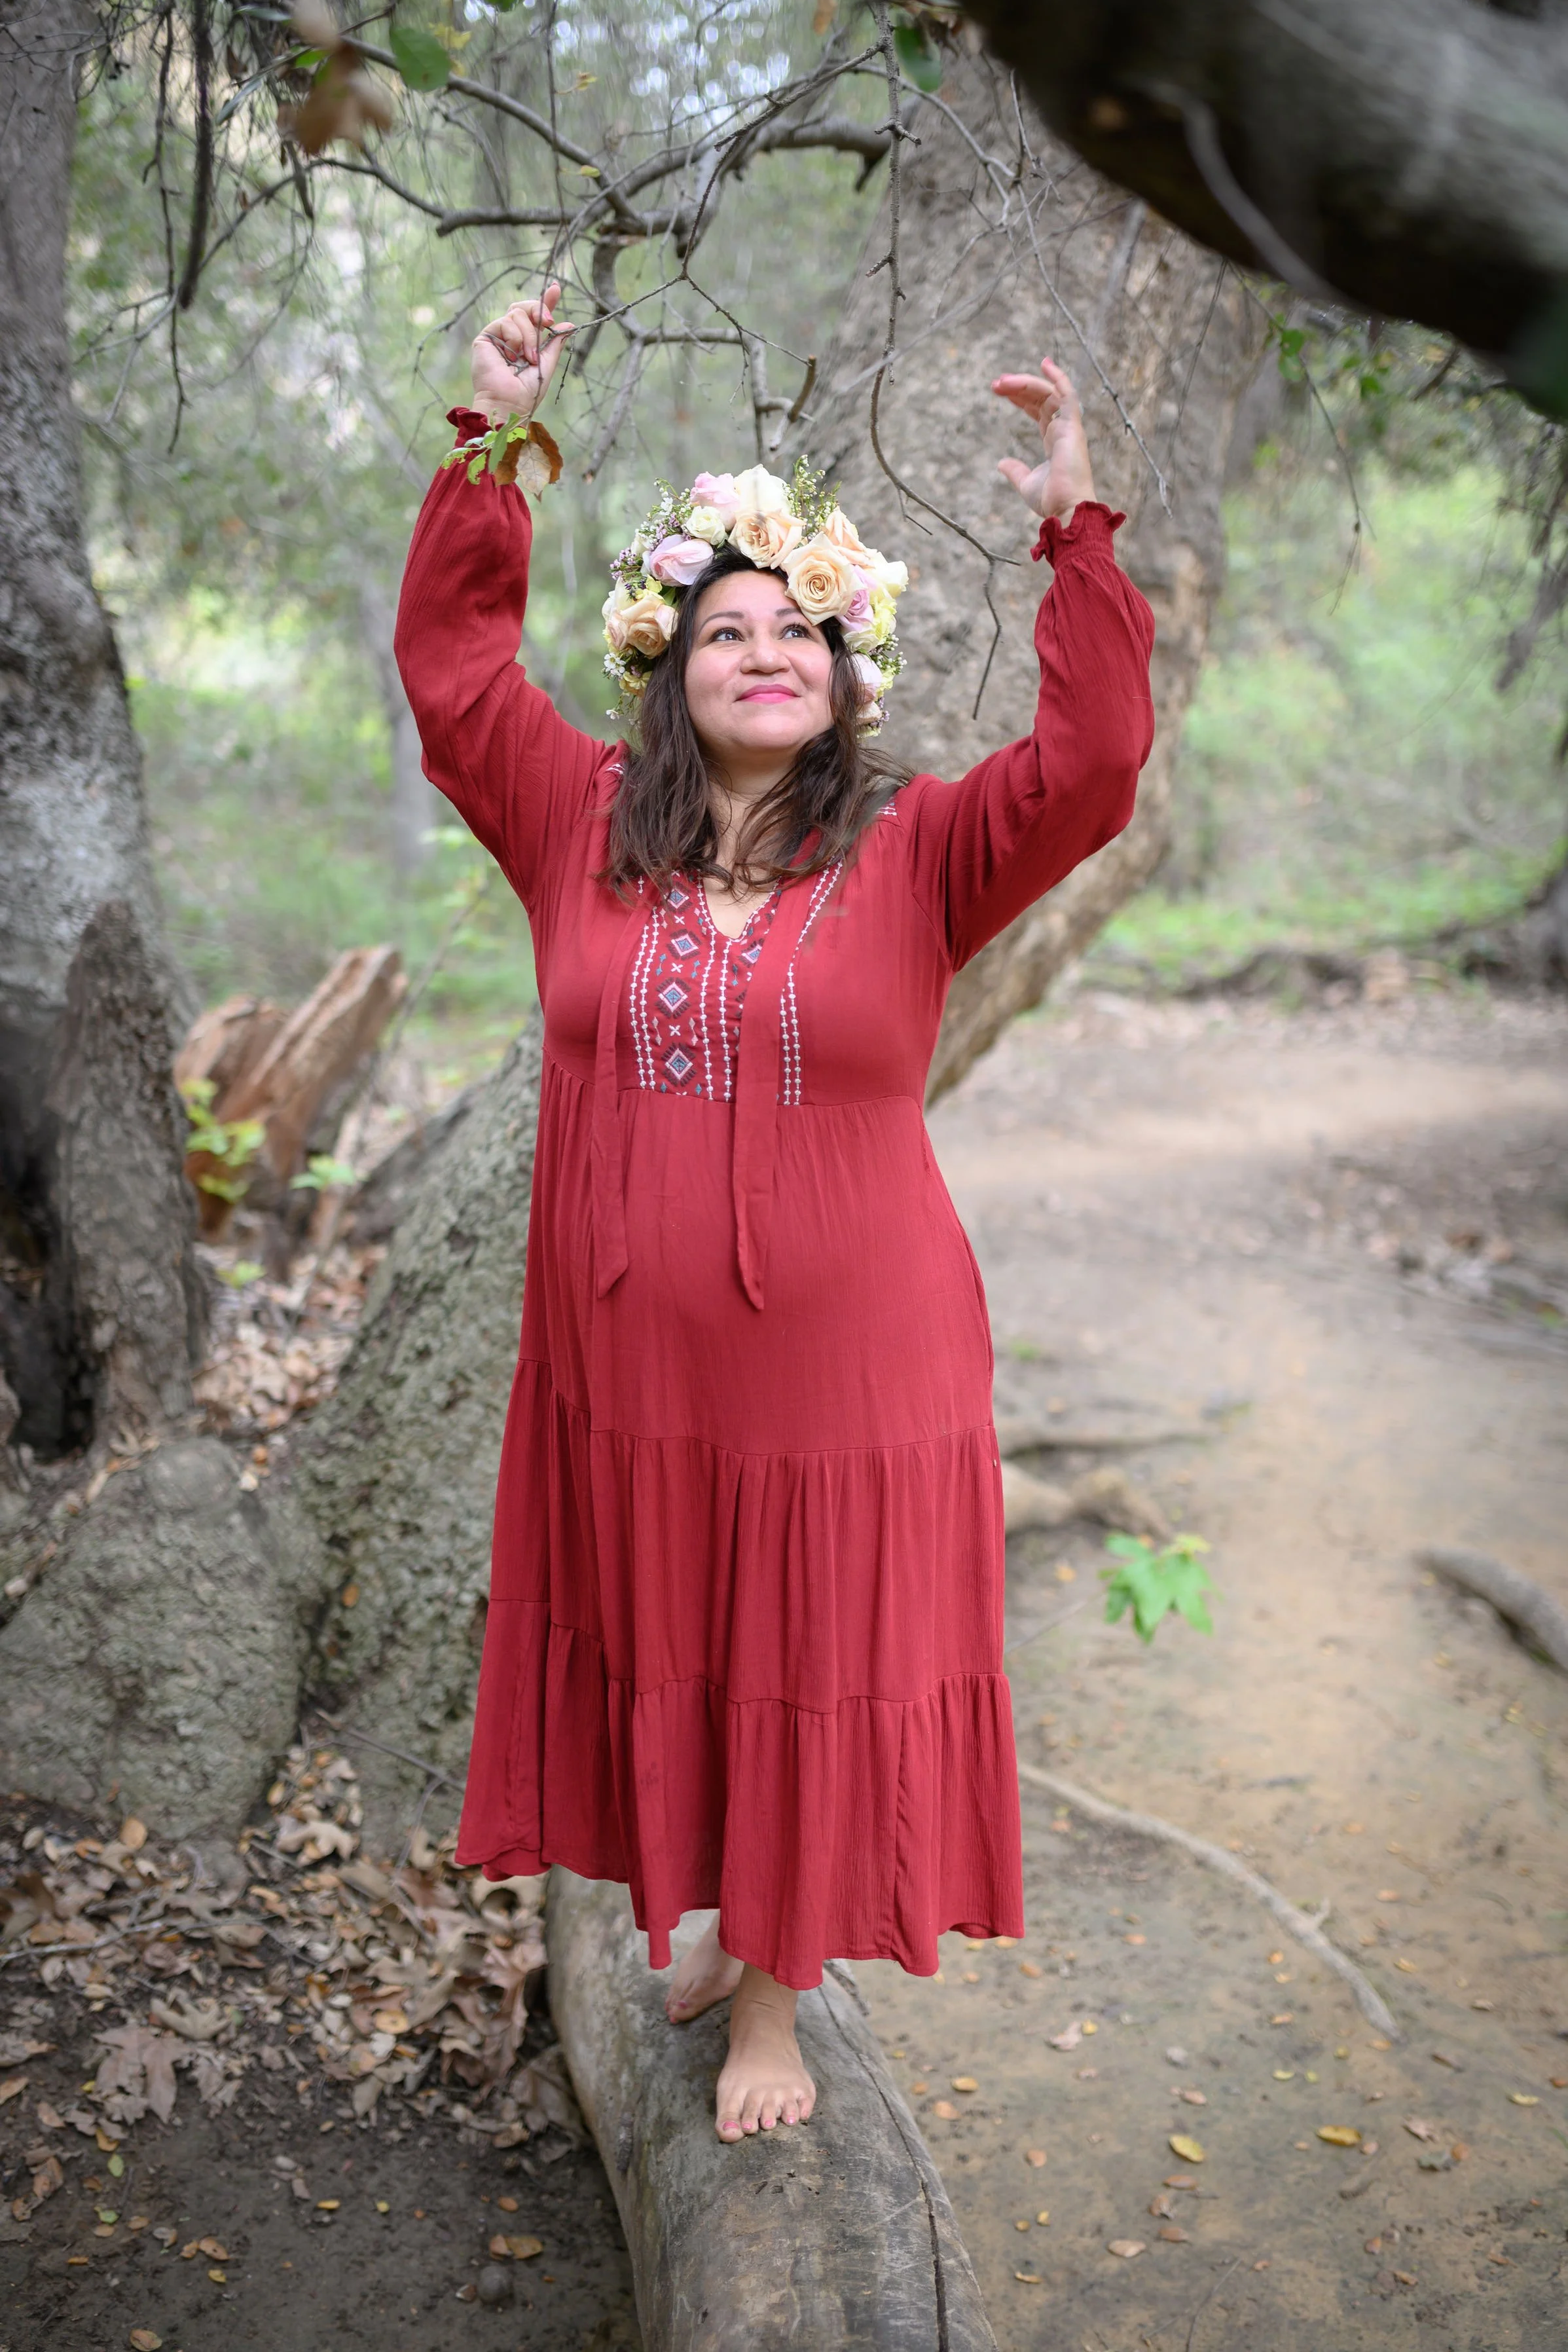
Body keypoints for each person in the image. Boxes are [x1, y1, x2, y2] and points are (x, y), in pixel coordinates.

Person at [394, 282, 1155, 2144]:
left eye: (797, 632)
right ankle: (714, 1921)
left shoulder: (924, 852)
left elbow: (1101, 764)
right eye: (725, 629)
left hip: (853, 1374)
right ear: (671, 670)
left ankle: (773, 2009)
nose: (763, 651)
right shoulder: (574, 817)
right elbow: (454, 676)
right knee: (691, 1635)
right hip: (632, 1375)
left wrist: (1077, 523)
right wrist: (487, 437)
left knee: (810, 1651)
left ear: (842, 679)